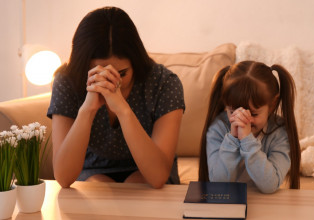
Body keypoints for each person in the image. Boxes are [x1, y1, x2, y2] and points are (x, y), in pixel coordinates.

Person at [47, 7, 185, 189]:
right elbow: (63, 177)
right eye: (99, 73)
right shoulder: (68, 81)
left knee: (137, 185)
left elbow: (157, 175)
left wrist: (123, 110)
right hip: (93, 170)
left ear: (136, 62)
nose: (112, 82)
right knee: (99, 187)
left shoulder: (164, 83)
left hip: (147, 171)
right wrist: (87, 110)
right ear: (84, 67)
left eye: (121, 73)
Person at [198, 61, 301, 193]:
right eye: (233, 112)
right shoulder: (218, 129)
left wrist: (247, 140)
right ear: (226, 104)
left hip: (265, 205)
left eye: (253, 113)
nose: (243, 121)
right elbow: (219, 183)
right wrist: (233, 139)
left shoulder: (280, 132)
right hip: (227, 203)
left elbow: (270, 185)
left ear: (273, 104)